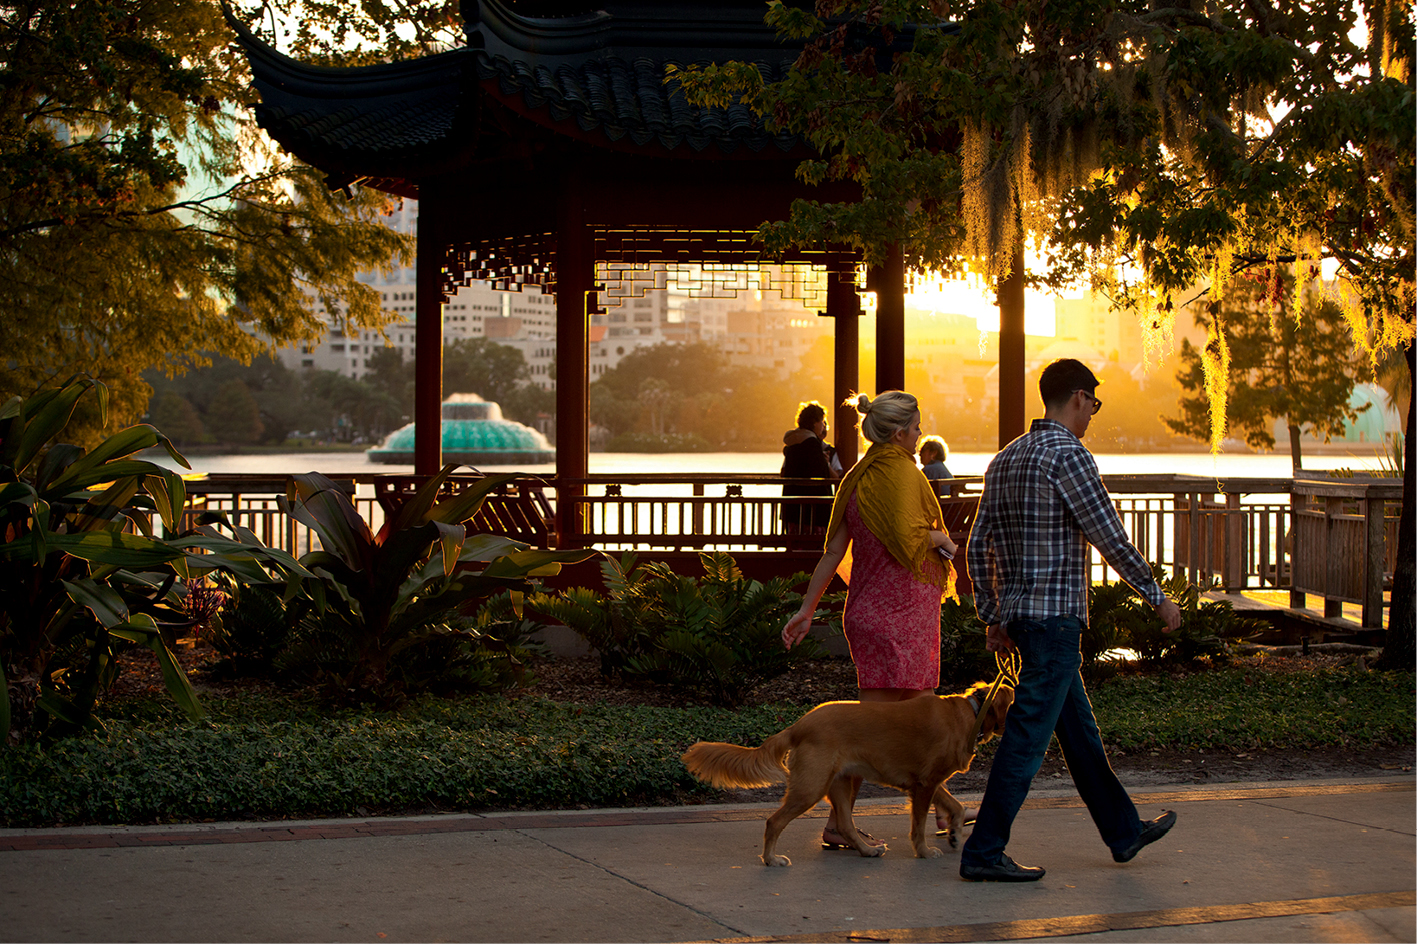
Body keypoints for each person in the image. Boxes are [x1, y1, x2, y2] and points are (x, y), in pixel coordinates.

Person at [960, 358, 1183, 883]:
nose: (1093, 416)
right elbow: (1110, 537)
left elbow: (977, 546)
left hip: (1023, 622)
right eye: (1094, 405)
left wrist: (993, 616)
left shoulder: (1006, 458)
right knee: (1025, 739)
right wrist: (1157, 597)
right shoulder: (1069, 456)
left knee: (1078, 734)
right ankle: (983, 851)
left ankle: (1124, 832)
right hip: (1056, 621)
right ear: (1079, 398)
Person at [782, 390, 958, 850]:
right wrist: (944, 537)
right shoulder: (904, 476)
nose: (920, 435)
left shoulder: (856, 477)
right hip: (907, 617)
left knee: (863, 733)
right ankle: (935, 812)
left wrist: (806, 609)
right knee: (918, 727)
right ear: (900, 432)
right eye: (916, 427)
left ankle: (928, 810)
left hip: (867, 615)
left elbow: (833, 553)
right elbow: (914, 534)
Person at [780, 401, 837, 532]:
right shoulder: (812, 443)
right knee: (813, 547)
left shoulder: (792, 443)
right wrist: (826, 463)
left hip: (792, 507)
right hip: (812, 512)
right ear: (814, 422)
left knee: (794, 546)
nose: (823, 425)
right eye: (822, 421)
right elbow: (822, 473)